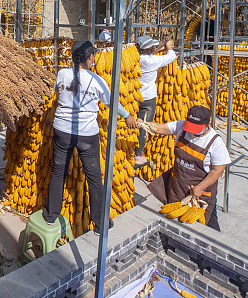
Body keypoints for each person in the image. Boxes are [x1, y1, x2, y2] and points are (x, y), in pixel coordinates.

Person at [43, 41, 137, 234]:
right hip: (86, 134)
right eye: (92, 55)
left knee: (58, 172)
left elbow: (55, 91)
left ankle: (51, 215)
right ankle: (100, 224)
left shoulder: (62, 74)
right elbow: (112, 104)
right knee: (94, 177)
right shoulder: (97, 80)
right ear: (88, 58)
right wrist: (127, 116)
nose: (94, 58)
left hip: (62, 131)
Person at [140, 105, 230, 231]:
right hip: (178, 186)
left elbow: (218, 170)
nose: (191, 132)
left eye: (196, 128)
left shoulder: (215, 142)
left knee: (206, 227)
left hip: (199, 194)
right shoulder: (182, 127)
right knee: (174, 221)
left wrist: (200, 188)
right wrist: (144, 124)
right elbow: (162, 128)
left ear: (206, 124)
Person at [127, 36, 178, 167]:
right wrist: (169, 46)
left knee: (130, 123)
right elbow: (172, 56)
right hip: (148, 99)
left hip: (133, 96)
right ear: (150, 48)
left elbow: (147, 55)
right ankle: (138, 155)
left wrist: (159, 48)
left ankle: (127, 148)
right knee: (144, 126)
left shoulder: (134, 57)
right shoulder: (154, 61)